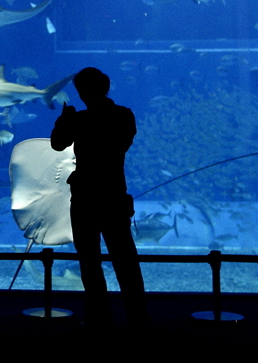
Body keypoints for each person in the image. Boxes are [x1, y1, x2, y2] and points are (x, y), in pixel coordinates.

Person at [50, 67, 148, 326]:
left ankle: (99, 317)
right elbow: (123, 142)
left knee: (89, 262)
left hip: (84, 198)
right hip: (114, 194)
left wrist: (65, 120)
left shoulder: (80, 120)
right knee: (125, 259)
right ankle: (138, 317)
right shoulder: (124, 115)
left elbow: (58, 144)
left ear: (82, 92)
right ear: (106, 87)